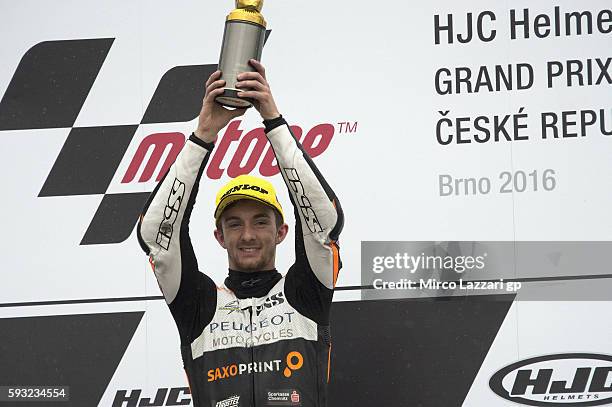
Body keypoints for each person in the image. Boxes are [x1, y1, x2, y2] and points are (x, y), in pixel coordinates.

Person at [137, 59, 344, 407]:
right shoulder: (197, 305)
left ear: (281, 232)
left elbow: (322, 223)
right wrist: (204, 134)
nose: (247, 234)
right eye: (234, 223)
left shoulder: (307, 292)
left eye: (261, 221)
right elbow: (157, 235)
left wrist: (273, 120)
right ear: (219, 236)